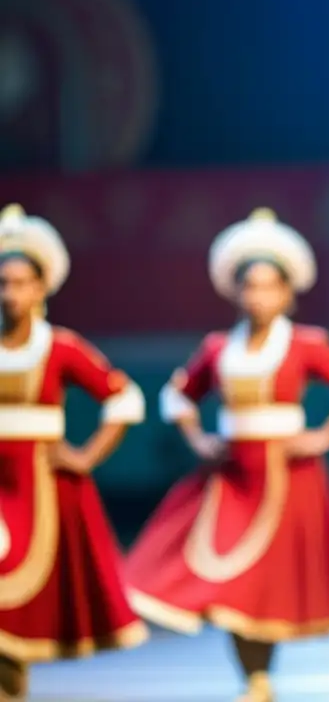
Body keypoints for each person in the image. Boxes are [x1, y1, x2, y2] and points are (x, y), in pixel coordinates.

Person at [124, 209, 329, 702]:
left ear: (288, 292)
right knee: (231, 580)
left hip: (289, 477)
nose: (258, 296)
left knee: (265, 580)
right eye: (250, 286)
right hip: (231, 477)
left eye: (269, 287)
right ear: (235, 291)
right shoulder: (220, 347)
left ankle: (260, 679)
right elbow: (179, 395)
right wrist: (199, 439)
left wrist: (324, 436)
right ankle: (253, 678)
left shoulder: (306, 343)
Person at [0, 204, 147, 701]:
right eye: (4, 283)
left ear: (42, 288)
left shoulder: (60, 348)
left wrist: (85, 457)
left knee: (15, 588)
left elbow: (124, 399)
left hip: (37, 484)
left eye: (21, 283)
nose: (11, 294)